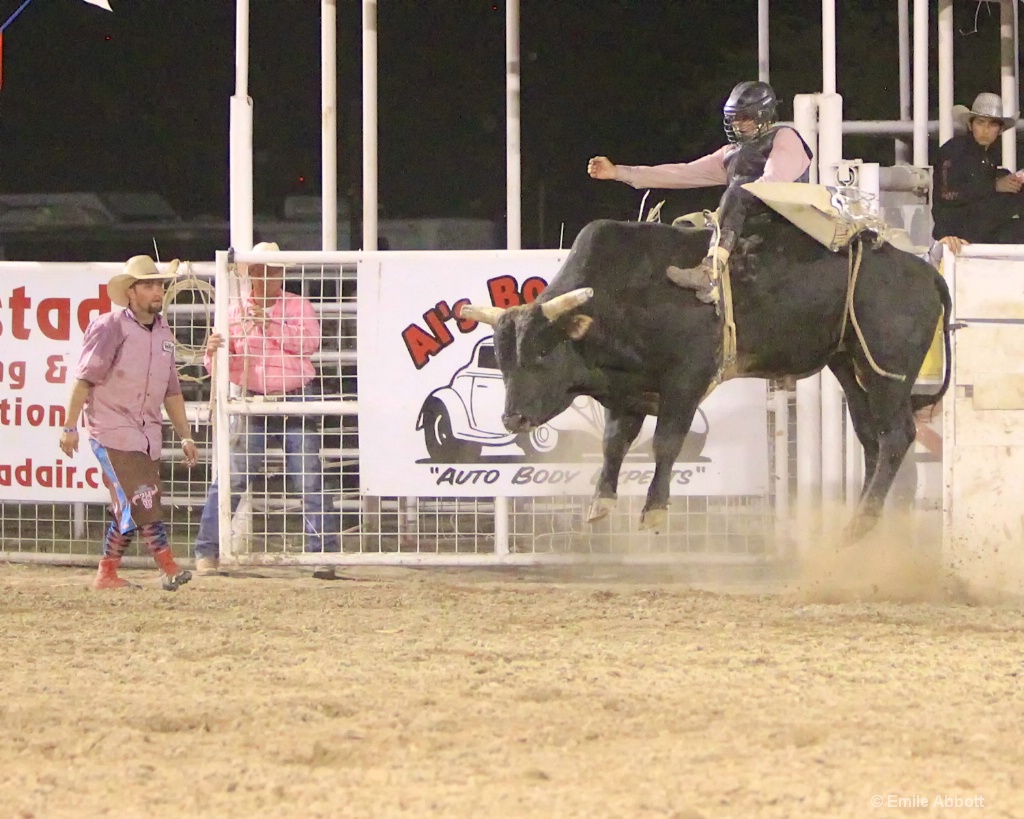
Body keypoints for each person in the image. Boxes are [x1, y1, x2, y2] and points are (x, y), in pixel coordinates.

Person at [588, 80, 812, 303]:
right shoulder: (731, 153)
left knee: (737, 191)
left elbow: (773, 181)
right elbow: (682, 173)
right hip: (743, 217)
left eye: (744, 118)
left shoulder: (785, 137)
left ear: (763, 115)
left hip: (780, 218)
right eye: (734, 119)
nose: (737, 125)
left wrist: (739, 197)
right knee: (684, 226)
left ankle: (710, 271)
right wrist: (618, 172)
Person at [193, 241, 339, 575]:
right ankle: (208, 549)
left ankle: (322, 553)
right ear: (249, 274)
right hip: (252, 398)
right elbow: (221, 367)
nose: (264, 277)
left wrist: (266, 324)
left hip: (293, 396)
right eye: (258, 270)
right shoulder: (233, 312)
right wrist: (212, 353)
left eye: (271, 270)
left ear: (280, 273)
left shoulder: (297, 305)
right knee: (233, 478)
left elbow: (309, 345)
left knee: (309, 479)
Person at [59, 255, 197, 591]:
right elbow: (85, 379)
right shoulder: (110, 327)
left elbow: (171, 391)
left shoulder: (163, 330)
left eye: (158, 284)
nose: (156, 291)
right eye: (148, 285)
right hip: (111, 427)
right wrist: (69, 426)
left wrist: (185, 435)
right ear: (131, 292)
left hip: (145, 431)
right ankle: (168, 567)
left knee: (130, 504)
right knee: (143, 495)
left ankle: (107, 572)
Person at [932, 92, 1024, 244]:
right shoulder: (955, 150)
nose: (985, 130)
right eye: (980, 123)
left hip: (979, 228)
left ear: (1000, 130)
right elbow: (948, 195)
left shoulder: (988, 156)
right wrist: (995, 185)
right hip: (956, 234)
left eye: (992, 124)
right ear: (970, 124)